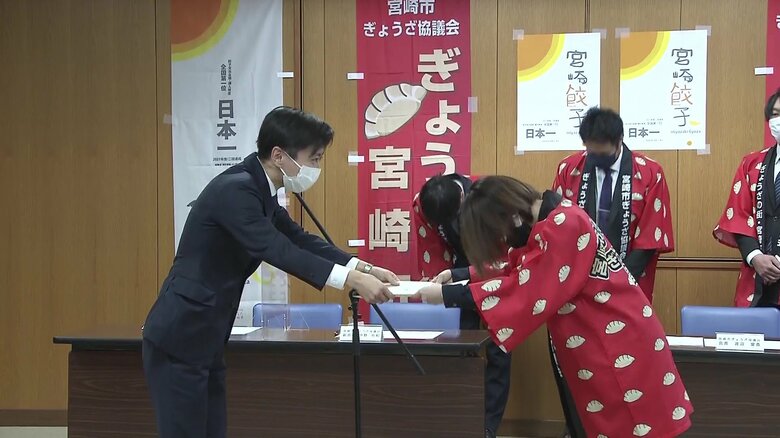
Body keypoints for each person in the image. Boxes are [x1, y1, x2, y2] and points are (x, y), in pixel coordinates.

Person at [142, 107, 400, 438]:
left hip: (206, 336)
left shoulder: (259, 189)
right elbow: (277, 249)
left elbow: (298, 239)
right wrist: (351, 280)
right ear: (279, 155)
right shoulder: (236, 190)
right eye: (314, 159)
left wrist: (361, 266)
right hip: (181, 334)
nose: (316, 168)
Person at [414, 176, 693, 438]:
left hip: (617, 343)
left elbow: (526, 289)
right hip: (596, 341)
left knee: (632, 425)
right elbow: (517, 265)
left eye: (500, 235)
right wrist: (459, 275)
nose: (505, 242)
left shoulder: (564, 224)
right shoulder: (550, 221)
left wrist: (448, 295)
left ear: (512, 217)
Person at [412, 173, 511, 438]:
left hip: (498, 269)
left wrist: (464, 275)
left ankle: (488, 427)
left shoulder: (491, 197)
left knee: (499, 351)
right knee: (459, 345)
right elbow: (432, 250)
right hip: (458, 270)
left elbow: (508, 260)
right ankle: (460, 420)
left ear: (461, 199)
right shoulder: (422, 205)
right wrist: (439, 284)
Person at [552, 107, 674, 304]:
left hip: (629, 278)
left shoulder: (650, 173)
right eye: (592, 153)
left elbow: (650, 236)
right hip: (578, 279)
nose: (597, 159)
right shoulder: (569, 169)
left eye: (603, 154)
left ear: (619, 141)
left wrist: (619, 281)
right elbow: (559, 224)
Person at [714, 89, 780, 307]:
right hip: (757, 275)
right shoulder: (752, 163)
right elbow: (738, 215)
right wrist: (755, 257)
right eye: (775, 114)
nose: (778, 120)